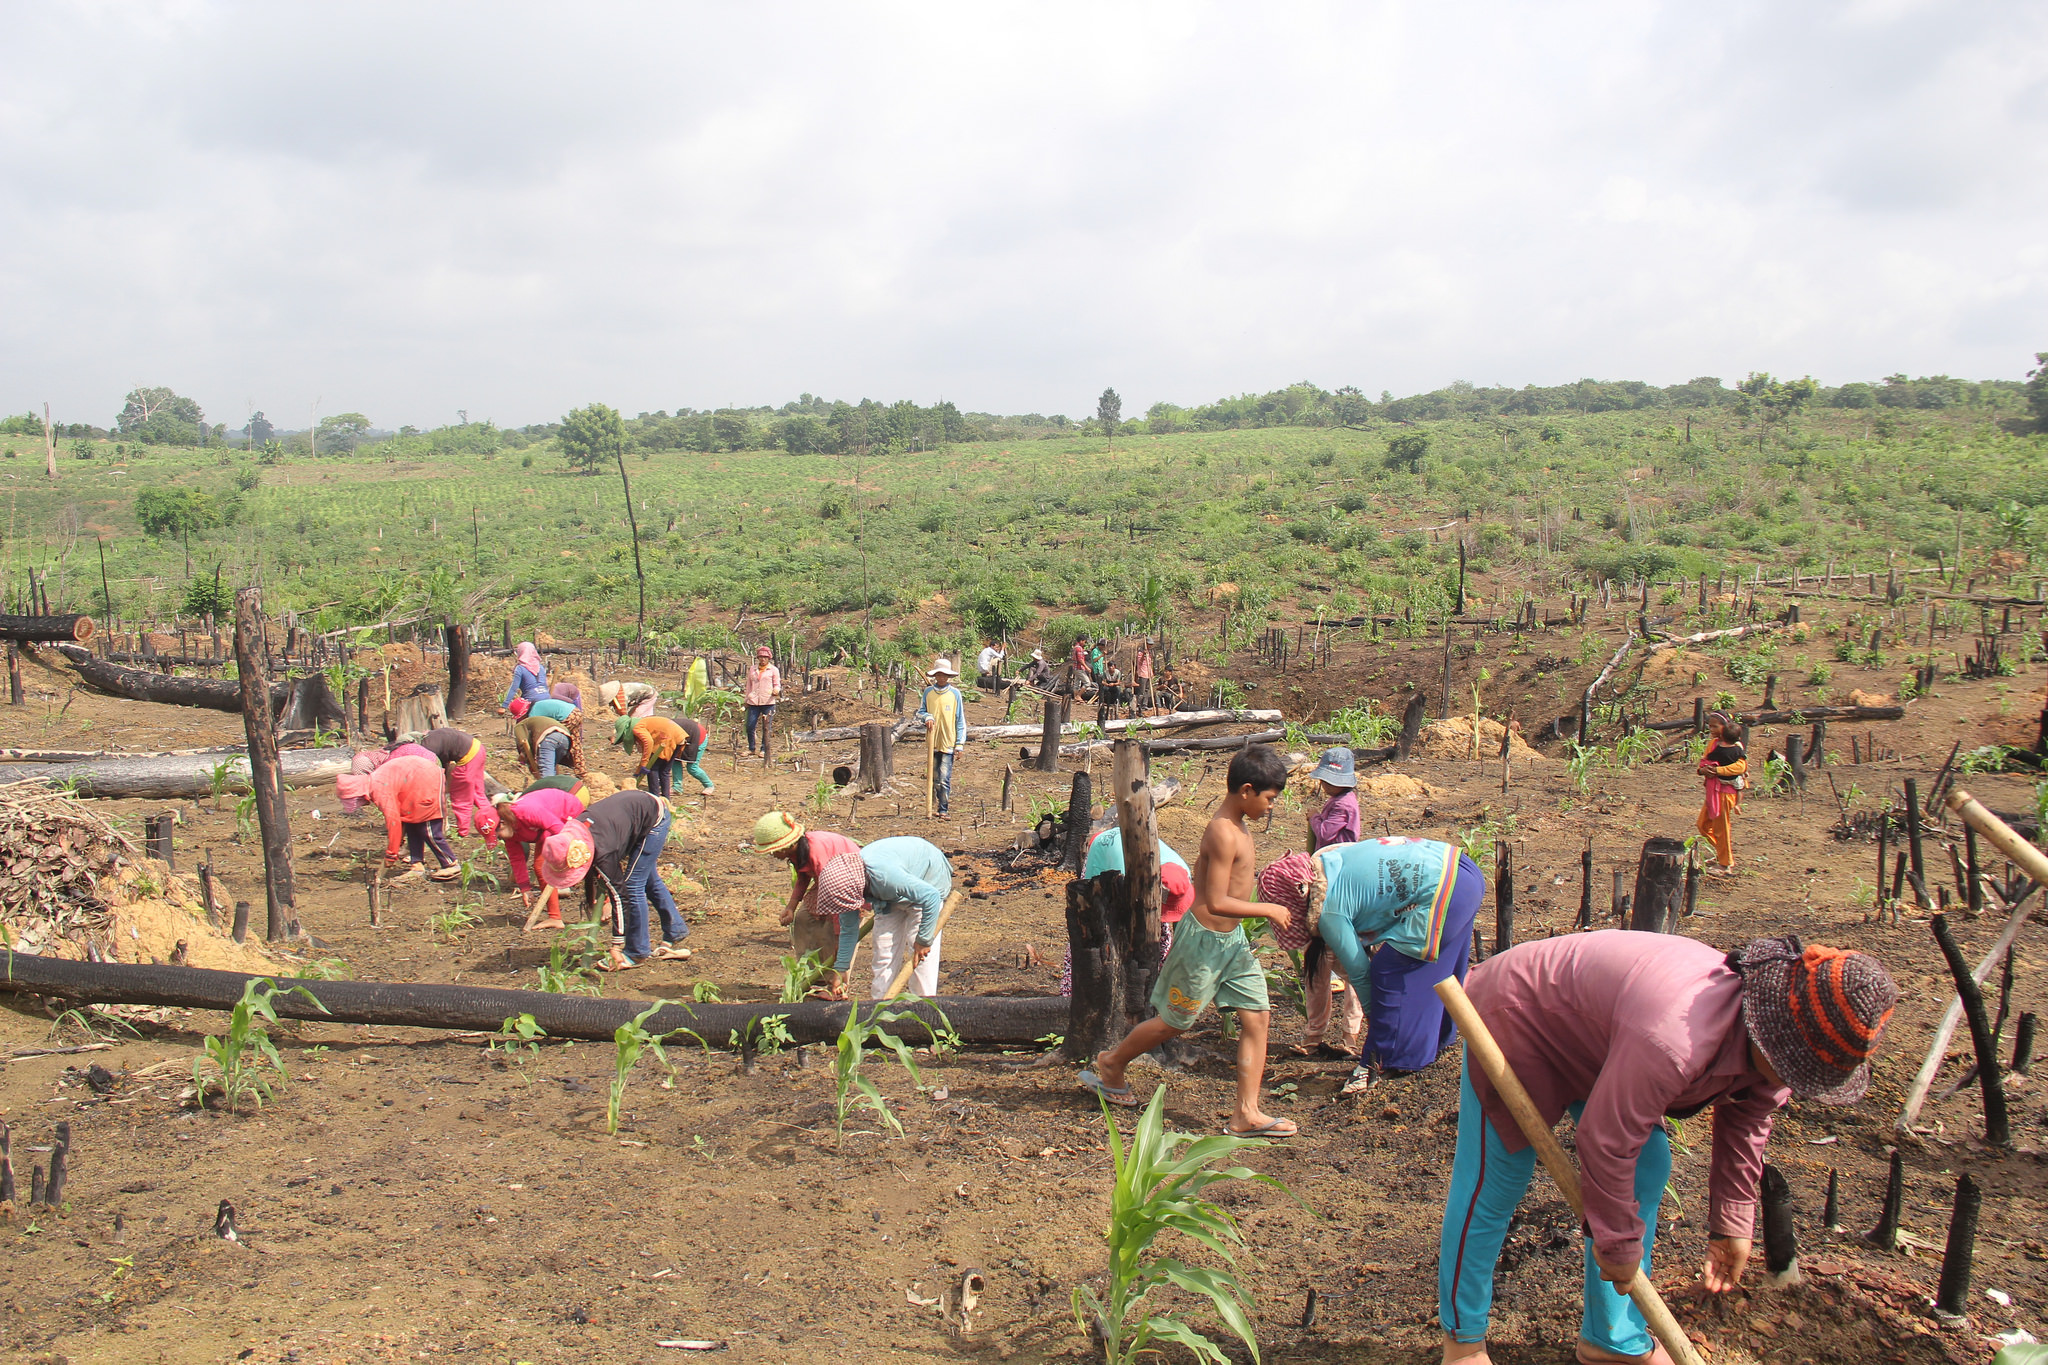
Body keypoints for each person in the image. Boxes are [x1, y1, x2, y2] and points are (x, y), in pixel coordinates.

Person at [1437, 932, 1897, 1365]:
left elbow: (1750, 1115)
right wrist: (1618, 1246)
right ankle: (1462, 1341)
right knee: (1495, 1182)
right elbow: (1606, 1140)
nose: (1796, 1083)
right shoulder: (1676, 1039)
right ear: (1774, 1037)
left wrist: (1732, 1224)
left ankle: (1612, 1341)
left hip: (1601, 1039)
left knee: (1650, 1164)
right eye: (1798, 1072)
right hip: (1522, 1016)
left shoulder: (1768, 1053)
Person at [1079, 744, 1296, 1137]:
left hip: (1232, 945)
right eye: (1269, 798)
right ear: (1246, 791)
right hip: (1204, 944)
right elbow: (1215, 900)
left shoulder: (1240, 826)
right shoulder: (1223, 833)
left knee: (1258, 1017)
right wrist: (1269, 910)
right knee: (1173, 1023)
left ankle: (1246, 1112)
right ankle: (1112, 1063)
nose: (1271, 807)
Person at [1267, 834, 1485, 1092]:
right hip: (1462, 870)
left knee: (1388, 972)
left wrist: (1376, 1019)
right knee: (1438, 970)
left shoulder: (1329, 913)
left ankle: (1378, 1062)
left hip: (1442, 892)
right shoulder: (1330, 858)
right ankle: (1438, 1039)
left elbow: (1360, 973)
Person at [1271, 747, 1364, 1057]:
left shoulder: (1344, 806)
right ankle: (1316, 1036)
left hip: (1336, 884)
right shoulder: (1337, 801)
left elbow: (1325, 832)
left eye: (1328, 780)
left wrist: (1313, 818)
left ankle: (1349, 1037)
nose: (1324, 785)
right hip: (1326, 878)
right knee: (1321, 964)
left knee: (1344, 965)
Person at [538, 789, 691, 971]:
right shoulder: (572, 834)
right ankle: (676, 929)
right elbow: (592, 870)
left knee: (633, 885)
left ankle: (636, 952)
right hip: (632, 812)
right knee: (647, 878)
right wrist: (593, 901)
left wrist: (616, 945)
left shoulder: (602, 852)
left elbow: (620, 896)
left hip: (654, 819)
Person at [1060, 826, 1196, 996]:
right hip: (1104, 850)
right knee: (1091, 925)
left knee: (1161, 935)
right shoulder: (1126, 877)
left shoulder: (1183, 872)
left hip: (1139, 865)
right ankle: (1074, 991)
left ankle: (1154, 986)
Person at [812, 835, 952, 999]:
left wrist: (924, 940)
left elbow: (931, 897)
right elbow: (849, 930)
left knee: (921, 959)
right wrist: (841, 969)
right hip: (889, 896)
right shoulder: (847, 887)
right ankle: (880, 1008)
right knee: (883, 953)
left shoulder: (884, 875)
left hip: (927, 880)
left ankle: (924, 1008)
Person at [753, 811, 863, 974]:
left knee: (830, 929)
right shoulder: (798, 852)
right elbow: (803, 877)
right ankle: (810, 975)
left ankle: (836, 981)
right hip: (827, 881)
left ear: (787, 845)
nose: (772, 854)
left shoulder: (816, 853)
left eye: (773, 850)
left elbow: (834, 892)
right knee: (803, 919)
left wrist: (841, 931)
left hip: (849, 881)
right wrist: (790, 907)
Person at [335, 754, 461, 881]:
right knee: (412, 823)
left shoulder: (378, 788)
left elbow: (393, 822)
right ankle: (417, 865)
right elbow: (399, 821)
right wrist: (397, 841)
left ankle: (451, 863)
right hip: (413, 784)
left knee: (428, 830)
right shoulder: (374, 781)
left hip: (425, 780)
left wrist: (391, 854)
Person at [492, 783, 588, 931]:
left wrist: (565, 851)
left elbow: (556, 826)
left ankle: (604, 902)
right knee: (540, 866)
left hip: (566, 810)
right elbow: (517, 860)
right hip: (547, 827)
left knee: (583, 857)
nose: (499, 838)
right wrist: (525, 888)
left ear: (503, 823)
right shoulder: (510, 833)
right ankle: (555, 917)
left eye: (497, 834)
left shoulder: (525, 811)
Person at [398, 727, 496, 841]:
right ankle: (493, 821)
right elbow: (444, 761)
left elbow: (433, 770)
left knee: (460, 796)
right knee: (477, 792)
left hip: (467, 756)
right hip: (478, 748)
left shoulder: (426, 749)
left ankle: (463, 831)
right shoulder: (430, 737)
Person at [1696, 713, 1747, 878]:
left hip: (1725, 793)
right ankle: (1721, 853)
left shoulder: (1735, 745)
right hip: (1712, 790)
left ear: (1725, 727)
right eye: (1709, 726)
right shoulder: (1713, 743)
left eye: (1715, 726)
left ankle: (1725, 864)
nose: (1711, 729)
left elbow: (1741, 767)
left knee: (1721, 828)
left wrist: (1717, 771)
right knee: (1703, 825)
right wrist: (1702, 770)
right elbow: (1704, 760)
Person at [614, 714, 713, 799]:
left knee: (655, 769)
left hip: (695, 737)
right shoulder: (646, 724)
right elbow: (648, 748)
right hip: (677, 738)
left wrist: (644, 764)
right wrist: (637, 772)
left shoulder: (638, 727)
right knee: (668, 767)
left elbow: (648, 742)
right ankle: (669, 795)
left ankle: (655, 797)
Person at [916, 658, 967, 818]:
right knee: (934, 777)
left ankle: (943, 809)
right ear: (935, 675)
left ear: (948, 676)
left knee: (944, 778)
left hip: (948, 742)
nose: (942, 678)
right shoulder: (928, 693)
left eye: (945, 675)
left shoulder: (954, 694)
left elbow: (960, 720)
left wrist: (959, 744)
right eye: (939, 674)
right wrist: (927, 717)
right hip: (933, 742)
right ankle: (932, 806)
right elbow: (920, 712)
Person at [514, 709, 576, 779]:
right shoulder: (534, 721)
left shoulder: (519, 726)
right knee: (551, 767)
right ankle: (555, 787)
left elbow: (524, 742)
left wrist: (524, 756)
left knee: (546, 774)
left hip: (549, 738)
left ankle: (547, 787)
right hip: (566, 738)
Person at [743, 645, 782, 755]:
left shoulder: (773, 670)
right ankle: (751, 748)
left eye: (765, 657)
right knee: (750, 726)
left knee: (766, 727)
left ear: (769, 658)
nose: (762, 659)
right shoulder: (753, 669)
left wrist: (776, 690)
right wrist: (746, 699)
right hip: (754, 701)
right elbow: (749, 685)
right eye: (760, 657)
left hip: (768, 702)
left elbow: (777, 684)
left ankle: (764, 749)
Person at [501, 642, 550, 711]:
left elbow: (514, 688)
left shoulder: (520, 668)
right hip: (547, 698)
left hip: (532, 700)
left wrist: (504, 706)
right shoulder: (541, 667)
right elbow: (545, 685)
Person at [1134, 640, 1155, 709]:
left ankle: (1144, 704)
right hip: (1143, 673)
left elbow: (1149, 664)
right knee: (1141, 691)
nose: (1150, 646)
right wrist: (1144, 655)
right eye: (1149, 644)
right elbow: (1139, 662)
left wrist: (1151, 673)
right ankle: (1138, 705)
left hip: (1148, 673)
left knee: (1147, 690)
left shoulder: (1150, 652)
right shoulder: (1140, 652)